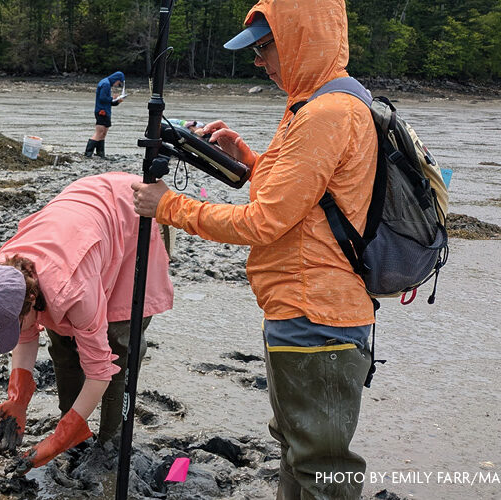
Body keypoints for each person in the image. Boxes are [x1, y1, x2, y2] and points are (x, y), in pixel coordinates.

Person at [132, 1, 377, 498]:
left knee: (321, 463)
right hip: (305, 308)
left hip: (317, 315)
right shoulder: (318, 102)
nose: (260, 62)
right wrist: (243, 157)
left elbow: (264, 222)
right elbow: (306, 198)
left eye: (266, 47)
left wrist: (170, 206)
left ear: (301, 39)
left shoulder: (326, 113)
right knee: (297, 447)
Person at [0, 172, 174, 469]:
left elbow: (100, 371)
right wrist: (18, 396)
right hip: (80, 221)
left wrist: (59, 438)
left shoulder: (74, 292)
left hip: (131, 213)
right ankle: (75, 432)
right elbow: (25, 334)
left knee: (119, 344)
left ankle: (110, 441)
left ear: (30, 302)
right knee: (63, 344)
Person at [84, 71, 127, 157]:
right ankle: (88, 154)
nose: (118, 85)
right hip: (101, 111)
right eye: (119, 83)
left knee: (103, 134)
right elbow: (103, 98)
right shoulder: (105, 84)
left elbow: (108, 101)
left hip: (105, 111)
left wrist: (117, 101)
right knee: (99, 133)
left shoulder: (106, 83)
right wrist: (113, 98)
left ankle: (100, 154)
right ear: (116, 79)